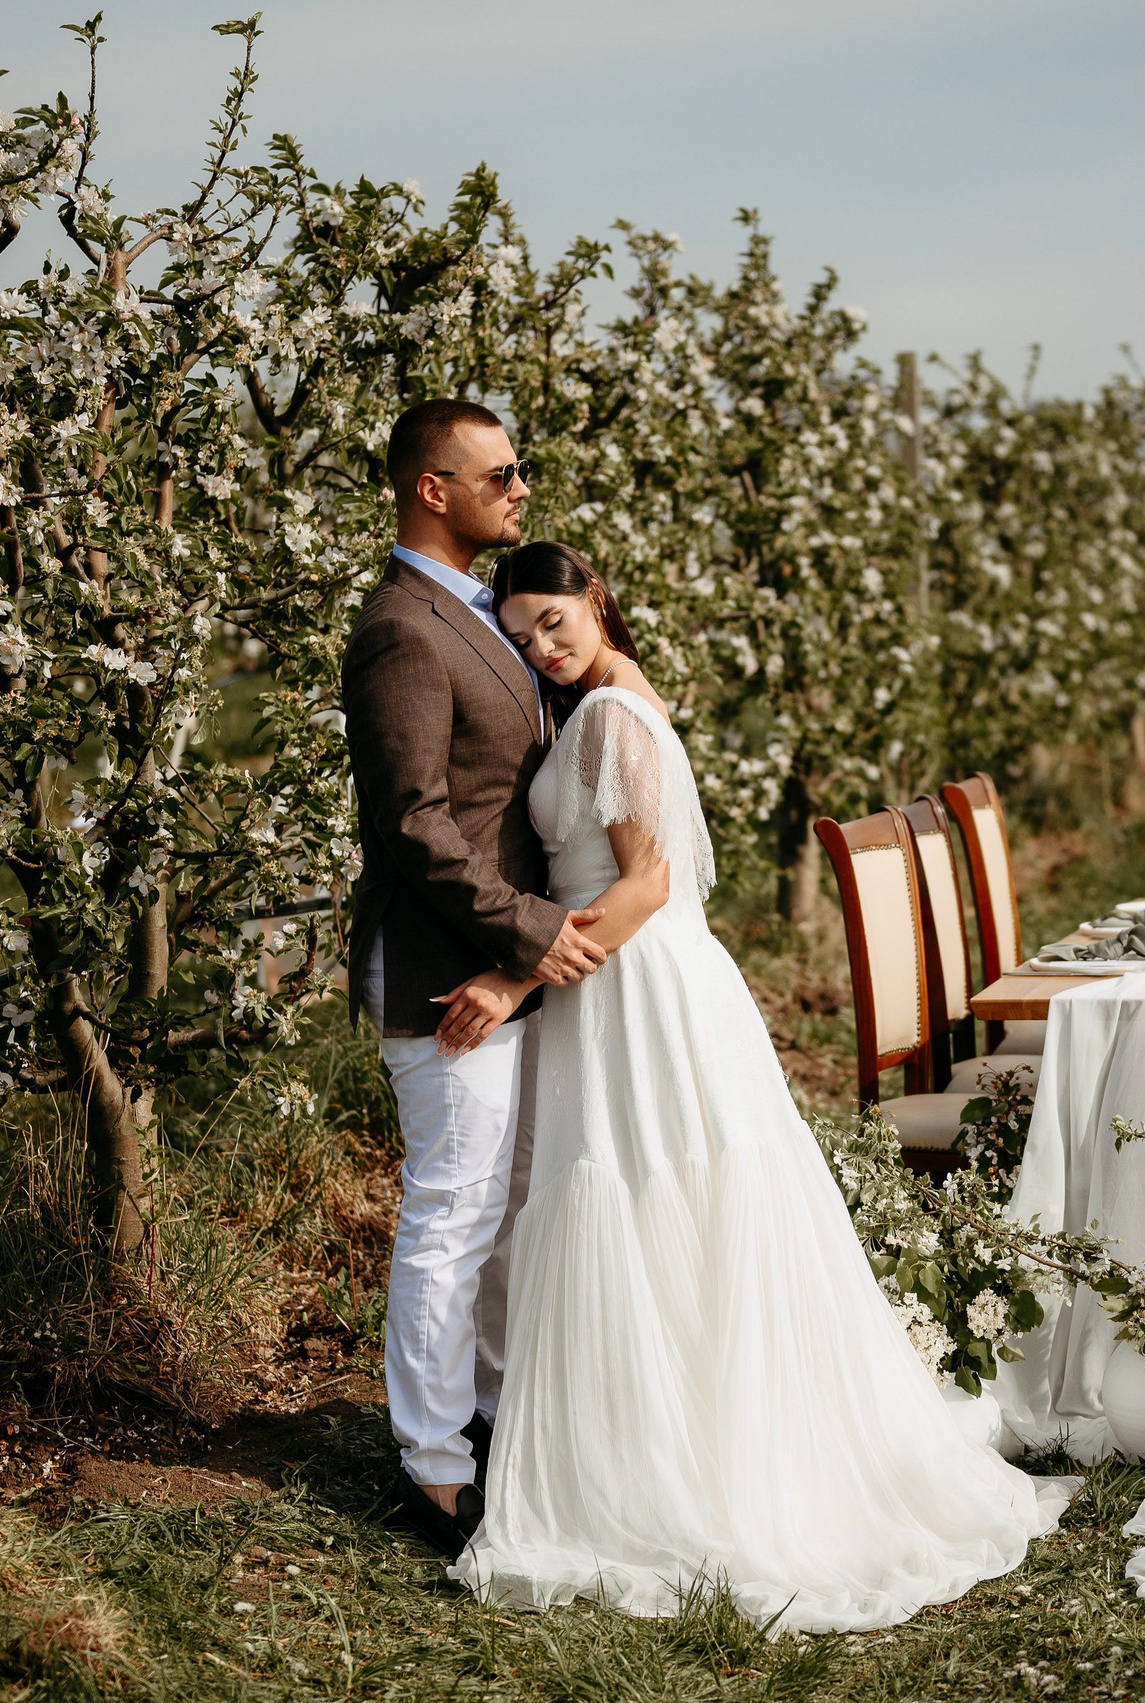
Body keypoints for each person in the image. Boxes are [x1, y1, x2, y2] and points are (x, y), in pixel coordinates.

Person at [439, 539, 1067, 1633]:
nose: (541, 646)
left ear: (596, 600)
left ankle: (683, 1461)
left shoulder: (610, 718)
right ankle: (665, 1431)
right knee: (657, 1196)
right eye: (521, 631)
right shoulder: (624, 696)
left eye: (555, 620)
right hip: (627, 982)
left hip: (635, 983)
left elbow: (645, 881)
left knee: (642, 1188)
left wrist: (508, 974)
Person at [339, 399, 611, 1558]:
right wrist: (527, 932)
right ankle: (433, 1465)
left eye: (523, 467)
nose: (521, 485)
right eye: (499, 471)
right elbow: (413, 822)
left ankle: (486, 1417)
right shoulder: (404, 625)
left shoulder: (481, 615)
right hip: (450, 970)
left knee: (496, 1207)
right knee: (452, 1212)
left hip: (504, 965)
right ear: (432, 489)